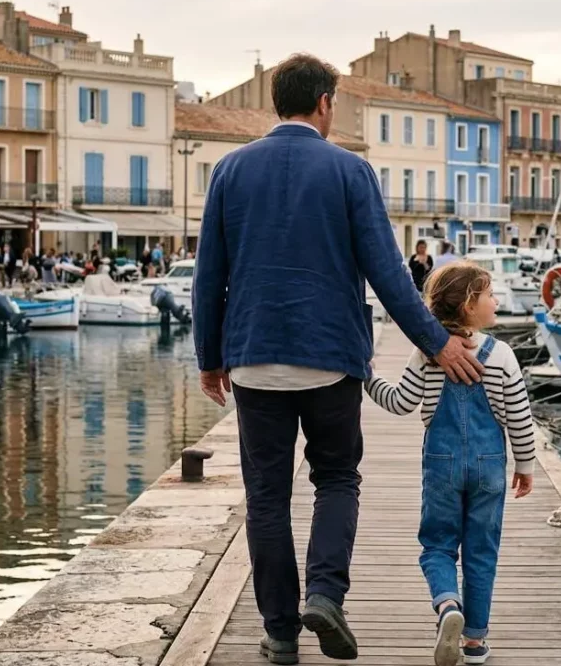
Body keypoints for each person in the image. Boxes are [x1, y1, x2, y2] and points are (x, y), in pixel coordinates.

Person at [192, 53, 483, 665]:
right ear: (324, 103)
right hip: (331, 360)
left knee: (266, 497)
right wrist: (437, 341)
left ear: (278, 102)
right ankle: (325, 593)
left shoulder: (228, 170)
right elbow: (387, 273)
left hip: (252, 358)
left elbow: (208, 276)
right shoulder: (351, 172)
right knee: (338, 478)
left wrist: (209, 356)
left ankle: (278, 633)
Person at [362, 261, 535, 666]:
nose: (495, 300)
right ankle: (474, 642)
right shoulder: (503, 355)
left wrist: (367, 375)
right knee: (481, 550)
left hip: (441, 463)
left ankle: (447, 606)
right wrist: (525, 466)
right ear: (470, 304)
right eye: (489, 294)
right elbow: (519, 417)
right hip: (490, 465)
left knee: (437, 545)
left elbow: (400, 402)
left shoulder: (427, 354)